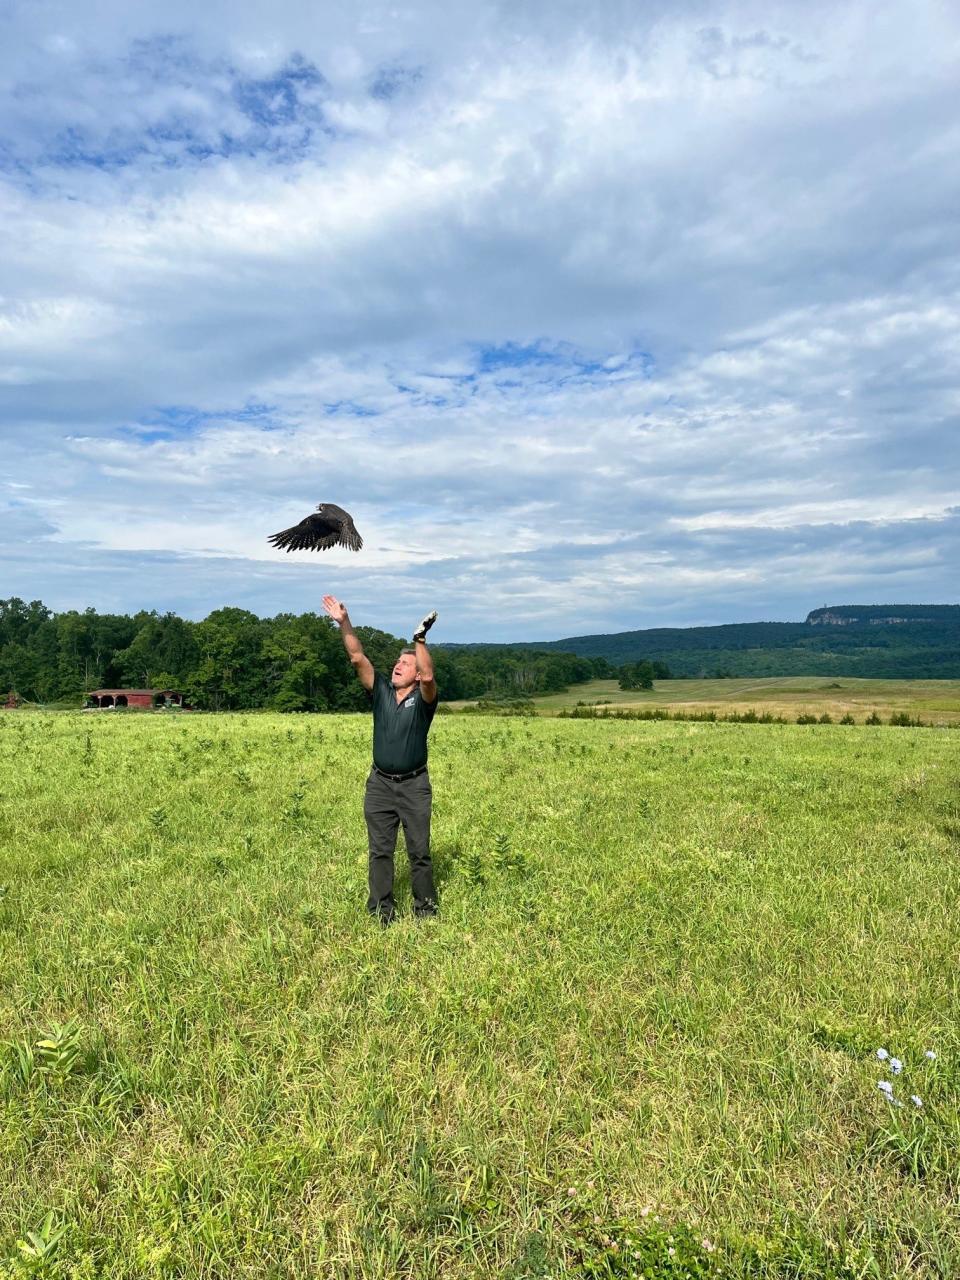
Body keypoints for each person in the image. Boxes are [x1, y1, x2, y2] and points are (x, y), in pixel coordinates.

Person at [322, 596, 439, 924]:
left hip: (415, 785)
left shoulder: (425, 700)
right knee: (380, 852)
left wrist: (419, 641)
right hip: (380, 786)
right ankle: (381, 912)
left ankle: (426, 913)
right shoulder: (382, 692)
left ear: (415, 675)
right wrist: (343, 622)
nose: (398, 666)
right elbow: (357, 656)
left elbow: (429, 678)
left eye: (406, 665)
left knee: (419, 852)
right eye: (397, 663)